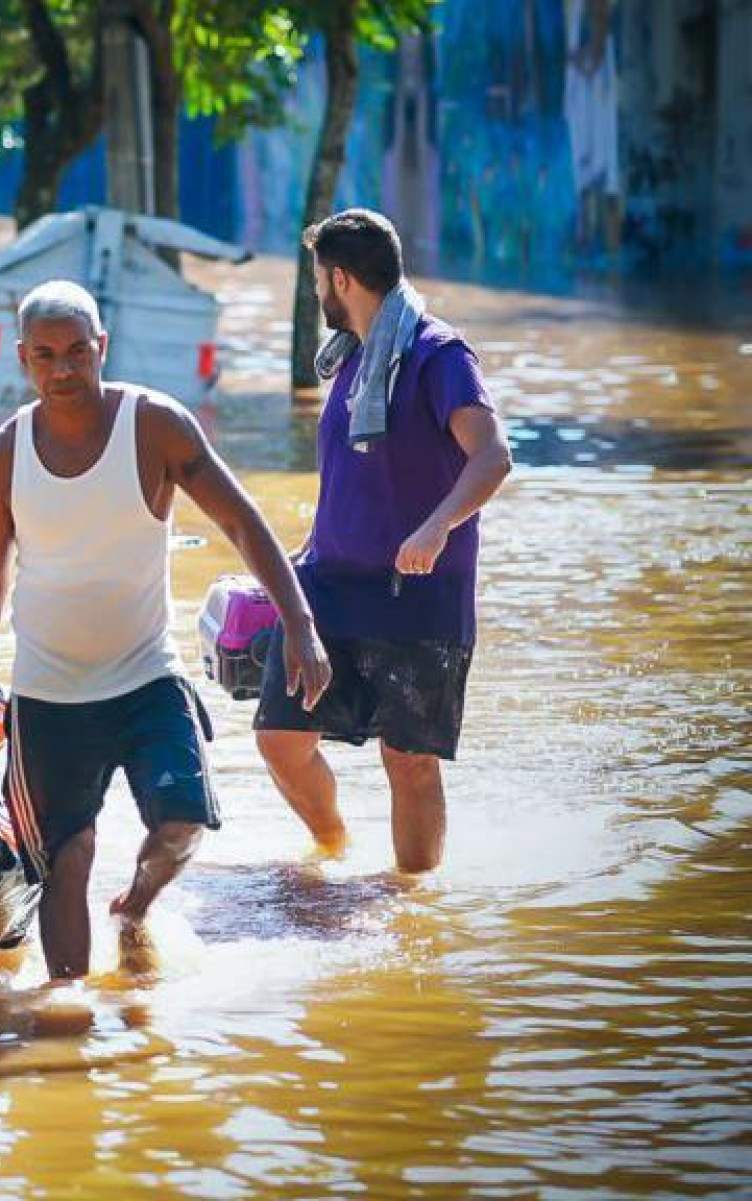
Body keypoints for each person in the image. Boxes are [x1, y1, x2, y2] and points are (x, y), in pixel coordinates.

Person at [0, 280, 333, 980]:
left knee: (183, 821)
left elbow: (241, 520)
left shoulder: (153, 426)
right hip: (48, 694)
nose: (63, 370)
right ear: (23, 361)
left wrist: (300, 622)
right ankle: (67, 1013)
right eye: (45, 356)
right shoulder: (2, 459)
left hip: (146, 677)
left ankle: (136, 907)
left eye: (77, 352)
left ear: (103, 347)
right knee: (68, 857)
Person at [255, 209, 513, 874]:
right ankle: (334, 844)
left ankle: (411, 905)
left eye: (319, 281)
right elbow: (354, 479)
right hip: (331, 587)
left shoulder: (438, 353)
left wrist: (437, 525)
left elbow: (492, 457)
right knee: (281, 737)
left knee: (409, 760)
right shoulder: (350, 358)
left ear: (341, 278)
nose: (316, 294)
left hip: (419, 593)